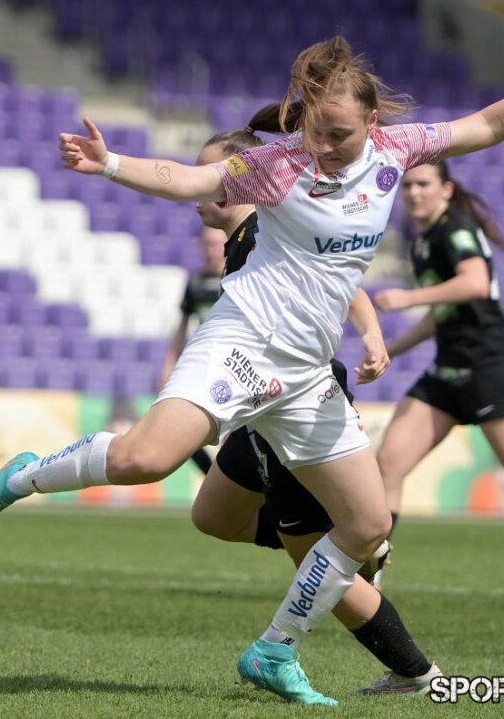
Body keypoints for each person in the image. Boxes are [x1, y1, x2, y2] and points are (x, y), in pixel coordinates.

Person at [0, 35, 504, 704]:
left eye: (340, 135)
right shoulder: (278, 163)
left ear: (374, 128)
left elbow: (489, 124)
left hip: (308, 375)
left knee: (369, 526)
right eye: (316, 130)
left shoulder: (397, 152)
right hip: (245, 341)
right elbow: (191, 180)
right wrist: (110, 163)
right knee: (149, 458)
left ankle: (275, 650)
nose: (322, 146)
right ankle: (22, 477)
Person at [191, 128, 438, 695]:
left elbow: (341, 280)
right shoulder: (244, 239)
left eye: (208, 173)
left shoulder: (261, 231)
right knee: (213, 515)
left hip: (296, 407)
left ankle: (416, 674)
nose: (200, 187)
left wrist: (373, 333)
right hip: (262, 411)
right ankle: (349, 542)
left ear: (239, 180)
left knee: (319, 564)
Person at [374, 161, 504, 554]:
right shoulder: (421, 241)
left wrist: (407, 297)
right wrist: (389, 351)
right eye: (408, 185)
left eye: (423, 184)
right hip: (446, 370)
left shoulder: (456, 228)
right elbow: (442, 313)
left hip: (486, 364)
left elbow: (476, 283)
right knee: (388, 466)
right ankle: (368, 575)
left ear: (446, 189)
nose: (414, 192)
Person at [157, 225, 226, 474]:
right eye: (207, 244)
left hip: (234, 366)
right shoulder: (195, 283)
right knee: (178, 432)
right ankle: (213, 478)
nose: (212, 250)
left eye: (217, 243)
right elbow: (181, 327)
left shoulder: (239, 278)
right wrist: (168, 365)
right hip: (203, 368)